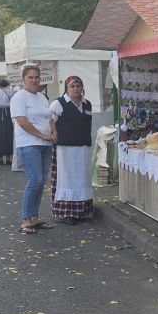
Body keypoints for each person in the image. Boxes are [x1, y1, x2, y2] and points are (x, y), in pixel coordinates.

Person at [12, 64, 55, 234]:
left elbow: (50, 118)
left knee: (41, 181)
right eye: (30, 77)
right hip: (29, 144)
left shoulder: (42, 97)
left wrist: (53, 133)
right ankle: (25, 220)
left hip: (45, 145)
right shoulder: (19, 97)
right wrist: (41, 135)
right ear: (23, 80)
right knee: (34, 180)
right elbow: (22, 122)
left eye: (37, 77)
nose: (34, 80)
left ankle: (35, 218)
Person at [49, 76, 95, 224]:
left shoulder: (87, 104)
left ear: (82, 88)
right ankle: (68, 212)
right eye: (72, 86)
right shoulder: (59, 103)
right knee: (67, 179)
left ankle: (83, 210)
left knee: (82, 178)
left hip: (83, 147)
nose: (76, 89)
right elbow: (50, 120)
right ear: (67, 89)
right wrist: (54, 133)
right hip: (66, 148)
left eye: (78, 86)